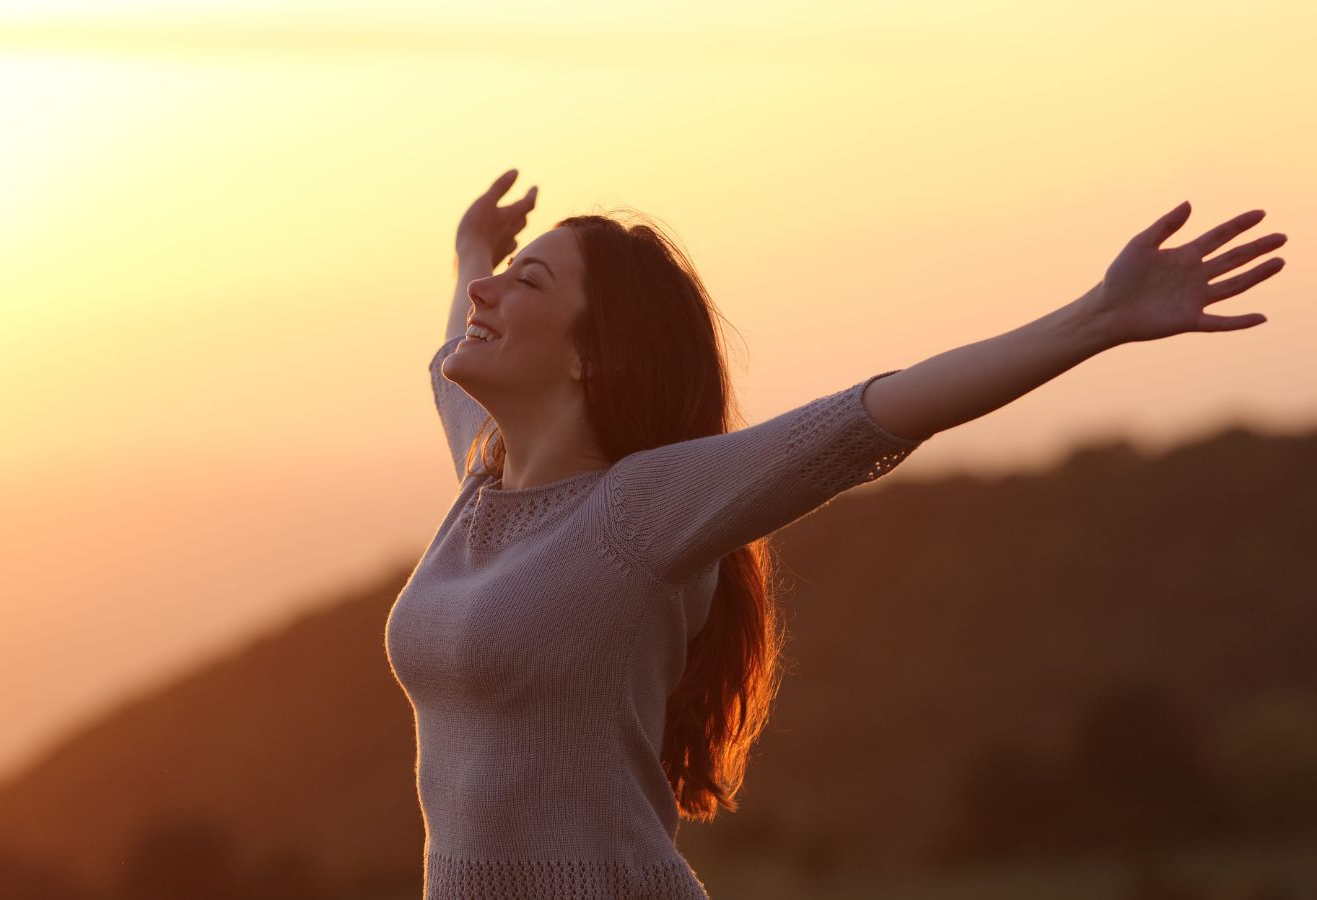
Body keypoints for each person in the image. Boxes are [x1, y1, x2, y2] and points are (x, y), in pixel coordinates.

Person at [384, 168, 1286, 899]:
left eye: (527, 282)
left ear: (592, 355)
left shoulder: (637, 511)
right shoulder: (485, 479)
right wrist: (474, 249)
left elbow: (872, 415)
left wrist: (1099, 318)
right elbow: (449, 347)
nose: (486, 294)